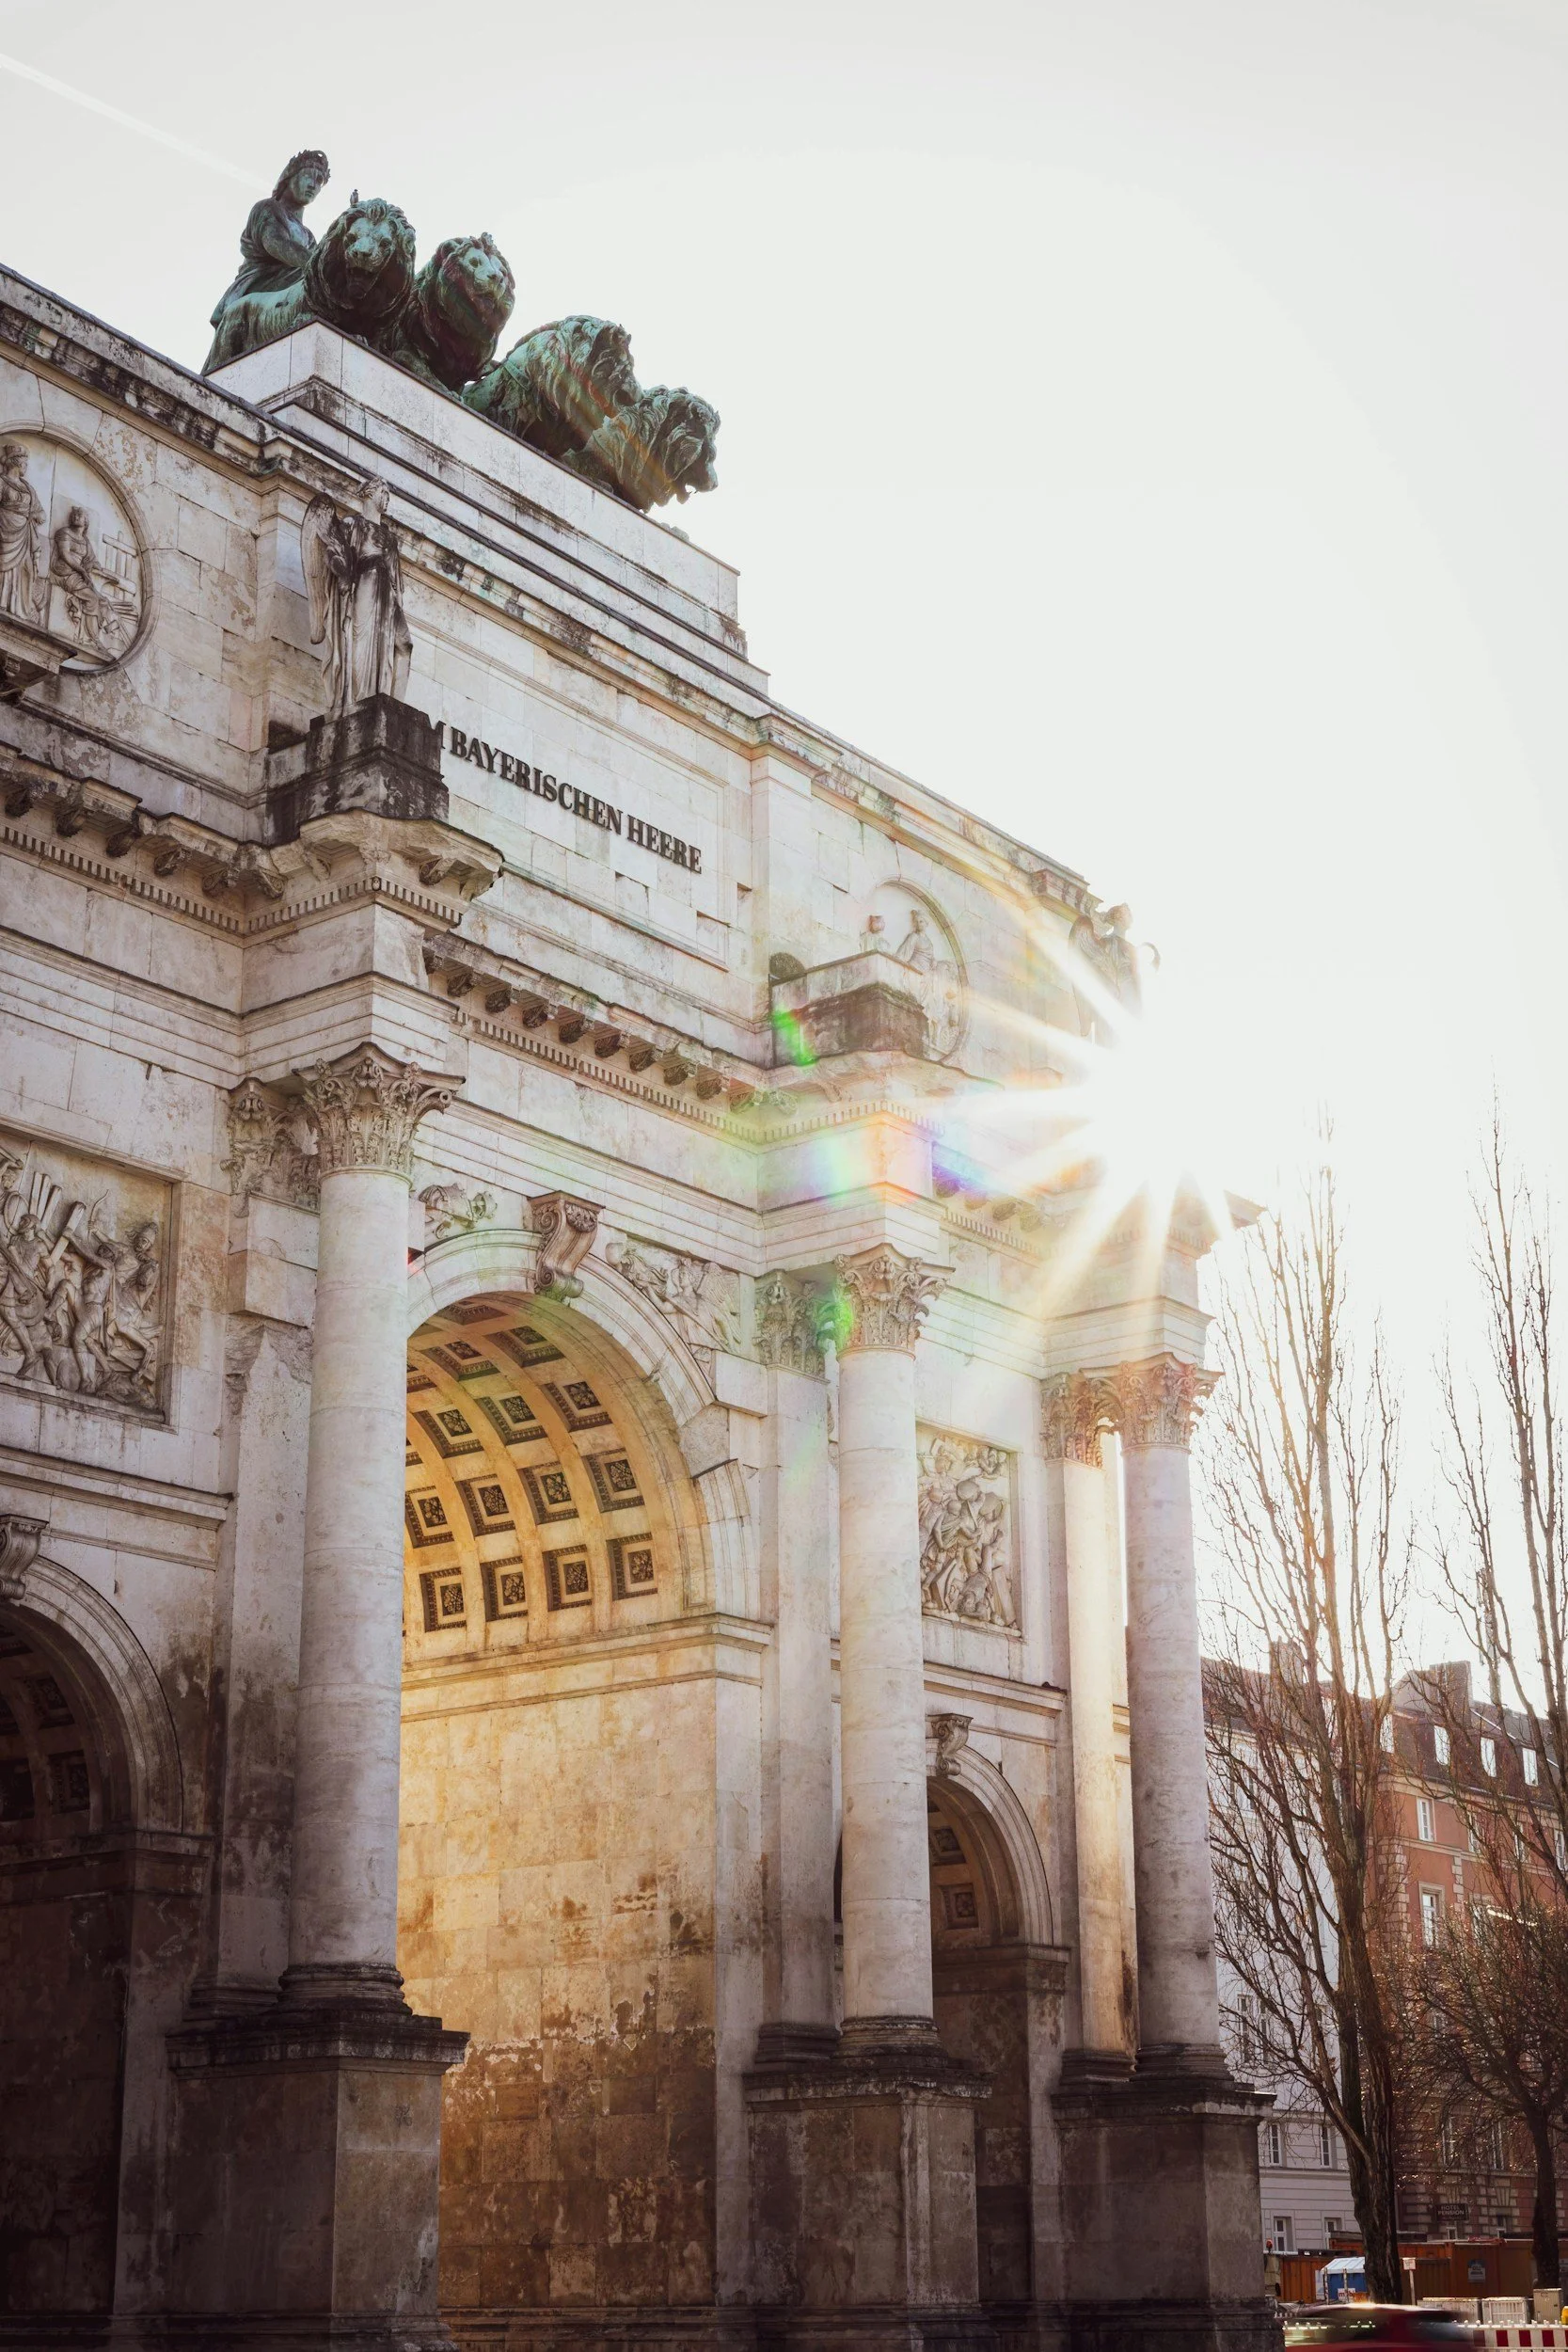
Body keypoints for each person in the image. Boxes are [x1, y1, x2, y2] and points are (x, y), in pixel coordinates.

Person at [206, 151, 330, 368]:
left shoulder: (308, 235)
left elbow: (324, 261)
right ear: (290, 177)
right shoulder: (267, 208)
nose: (313, 185)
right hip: (258, 289)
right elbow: (275, 244)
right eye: (308, 176)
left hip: (288, 293)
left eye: (319, 181)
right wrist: (320, 265)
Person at [0, 441, 47, 625]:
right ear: (17, 463)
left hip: (25, 533)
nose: (27, 467)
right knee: (3, 562)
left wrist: (39, 514)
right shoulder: (2, 482)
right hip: (5, 527)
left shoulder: (28, 488)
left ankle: (18, 606)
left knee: (25, 569)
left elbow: (38, 510)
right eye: (25, 463)